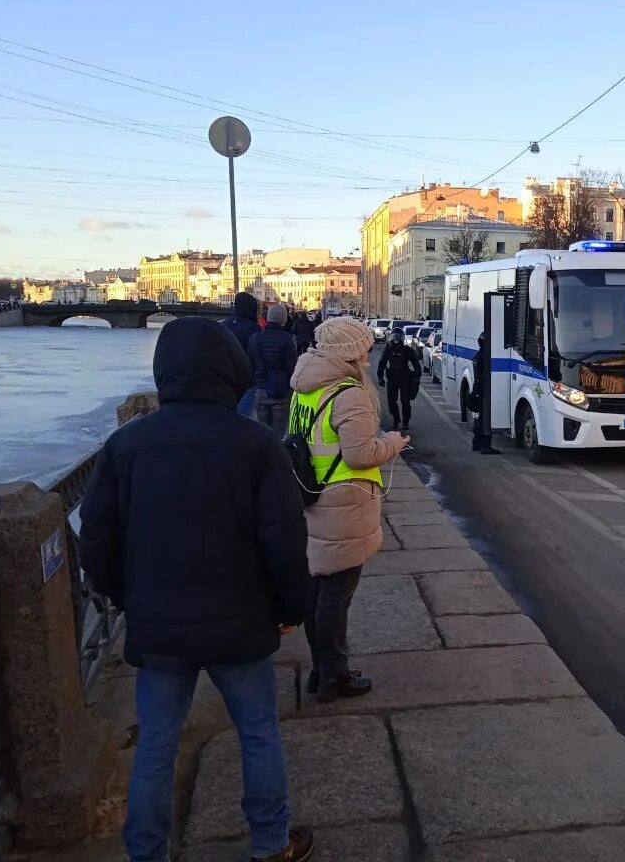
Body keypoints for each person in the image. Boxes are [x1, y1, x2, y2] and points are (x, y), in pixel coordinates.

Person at [78, 317, 314, 862]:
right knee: (257, 733)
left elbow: (95, 540)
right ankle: (271, 845)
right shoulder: (257, 444)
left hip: (158, 624)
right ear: (230, 372)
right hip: (242, 620)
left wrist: (127, 597)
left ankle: (146, 853)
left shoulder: (125, 446)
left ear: (166, 373)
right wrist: (291, 608)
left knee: (156, 745)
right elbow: (284, 538)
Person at [290, 317, 408, 702]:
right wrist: (393, 441)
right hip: (343, 501)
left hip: (311, 495)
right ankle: (334, 676)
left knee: (318, 589)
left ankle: (320, 670)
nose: (368, 360)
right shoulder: (348, 393)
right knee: (336, 594)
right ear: (350, 352)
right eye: (365, 352)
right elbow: (360, 455)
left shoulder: (303, 388)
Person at [248, 304, 300, 437]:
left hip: (261, 390)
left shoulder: (255, 338)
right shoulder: (287, 339)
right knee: (278, 433)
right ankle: (276, 457)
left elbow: (251, 364)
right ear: (284, 319)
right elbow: (292, 366)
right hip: (280, 392)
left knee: (263, 432)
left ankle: (262, 457)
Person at [223, 291, 262, 418]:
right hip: (247, 378)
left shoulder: (224, 325)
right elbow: (257, 354)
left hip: (226, 377)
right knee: (243, 416)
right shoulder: (254, 328)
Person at [377, 327, 422, 432]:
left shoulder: (407, 350)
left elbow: (417, 365)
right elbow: (382, 363)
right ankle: (396, 419)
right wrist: (380, 377)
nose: (396, 341)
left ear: (402, 338)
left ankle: (405, 422)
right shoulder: (388, 350)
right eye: (394, 338)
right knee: (391, 401)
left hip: (405, 378)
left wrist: (416, 378)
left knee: (405, 401)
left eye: (398, 338)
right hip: (392, 378)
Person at [471, 333, 499, 454]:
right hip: (484, 388)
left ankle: (476, 443)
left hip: (479, 387)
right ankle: (485, 445)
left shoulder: (479, 354)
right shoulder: (485, 355)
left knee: (482, 417)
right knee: (485, 418)